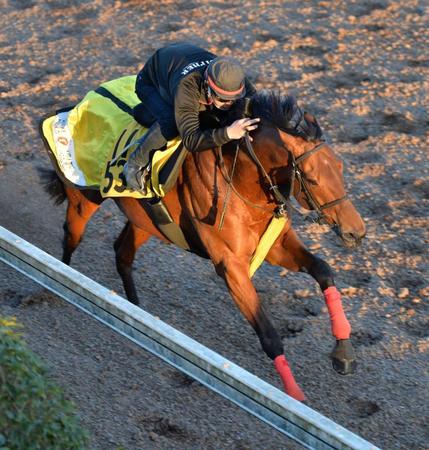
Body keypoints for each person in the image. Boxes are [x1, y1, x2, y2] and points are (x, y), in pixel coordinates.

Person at [124, 42, 260, 192]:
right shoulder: (187, 85)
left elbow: (254, 102)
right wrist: (229, 133)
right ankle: (135, 163)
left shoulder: (235, 77)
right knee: (171, 121)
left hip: (178, 60)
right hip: (151, 83)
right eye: (222, 98)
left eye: (234, 98)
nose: (229, 102)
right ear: (208, 86)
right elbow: (190, 140)